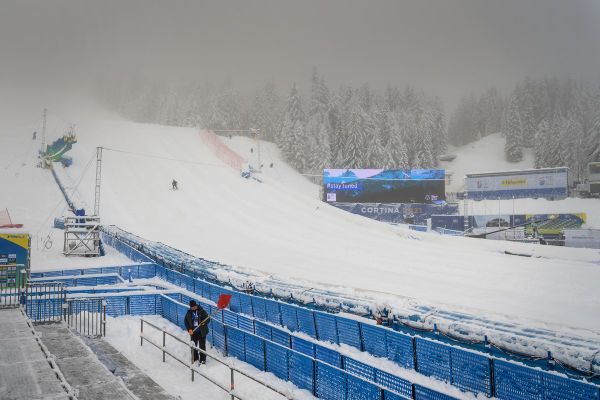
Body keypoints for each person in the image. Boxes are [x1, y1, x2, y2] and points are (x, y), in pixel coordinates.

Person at [184, 300, 209, 365]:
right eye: (192, 307)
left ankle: (203, 360)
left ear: (196, 305)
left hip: (201, 332)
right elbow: (186, 321)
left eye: (194, 306)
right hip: (193, 332)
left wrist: (204, 322)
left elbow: (208, 318)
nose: (193, 308)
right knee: (193, 345)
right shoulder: (189, 313)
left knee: (202, 346)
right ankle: (195, 358)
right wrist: (189, 329)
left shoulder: (201, 311)